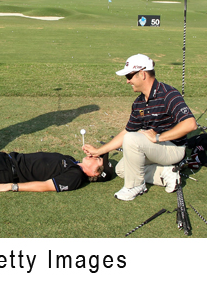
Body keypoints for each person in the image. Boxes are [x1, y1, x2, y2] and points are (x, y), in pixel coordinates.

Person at [82, 54, 197, 201]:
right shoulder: (139, 102)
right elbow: (127, 131)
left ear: (142, 74)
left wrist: (158, 137)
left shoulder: (168, 94)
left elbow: (190, 124)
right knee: (122, 169)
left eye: (129, 76)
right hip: (155, 149)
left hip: (174, 149)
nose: (128, 81)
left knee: (132, 140)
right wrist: (98, 151)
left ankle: (135, 186)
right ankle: (165, 174)